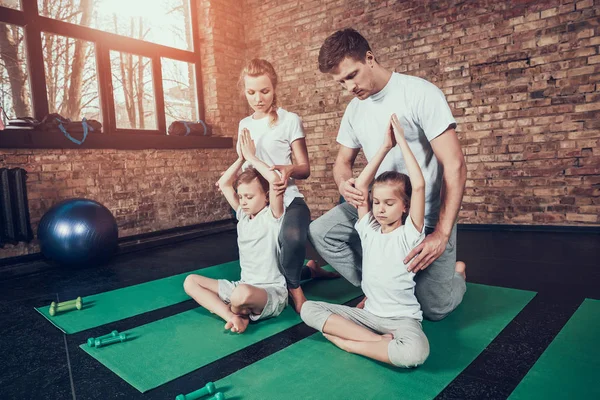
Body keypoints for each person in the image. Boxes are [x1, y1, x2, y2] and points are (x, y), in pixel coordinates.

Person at [309, 28, 467, 321]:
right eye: (341, 82)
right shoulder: (354, 111)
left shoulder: (419, 93)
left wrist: (442, 233)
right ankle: (380, 287)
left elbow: (455, 164)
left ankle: (458, 274)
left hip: (426, 212)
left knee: (435, 309)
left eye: (352, 75)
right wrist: (344, 184)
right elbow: (342, 162)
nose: (349, 87)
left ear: (370, 58)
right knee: (322, 232)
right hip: (381, 209)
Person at [301, 115, 432, 367]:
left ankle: (350, 343)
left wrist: (401, 141)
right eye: (377, 203)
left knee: (415, 354)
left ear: (405, 206)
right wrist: (384, 147)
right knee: (308, 310)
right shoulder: (368, 229)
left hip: (402, 320)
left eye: (389, 203)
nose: (381, 209)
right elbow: (360, 186)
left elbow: (418, 185)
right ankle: (377, 342)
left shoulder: (410, 233)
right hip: (368, 316)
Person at [233, 58, 338, 313]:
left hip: (288, 197)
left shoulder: (290, 120)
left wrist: (289, 168)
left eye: (264, 91)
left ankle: (296, 292)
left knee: (290, 238)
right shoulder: (244, 125)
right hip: (261, 202)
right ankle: (309, 270)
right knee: (268, 256)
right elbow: (246, 168)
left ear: (274, 88)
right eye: (251, 92)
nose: (258, 98)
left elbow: (305, 168)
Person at [184, 130, 288, 333]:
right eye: (241, 197)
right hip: (242, 286)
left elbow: (275, 181)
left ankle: (236, 309)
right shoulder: (242, 216)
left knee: (240, 295)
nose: (243, 202)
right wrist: (240, 158)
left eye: (249, 197)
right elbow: (224, 183)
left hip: (269, 291)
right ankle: (232, 316)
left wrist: (251, 157)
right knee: (190, 282)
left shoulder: (273, 216)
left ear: (266, 197)